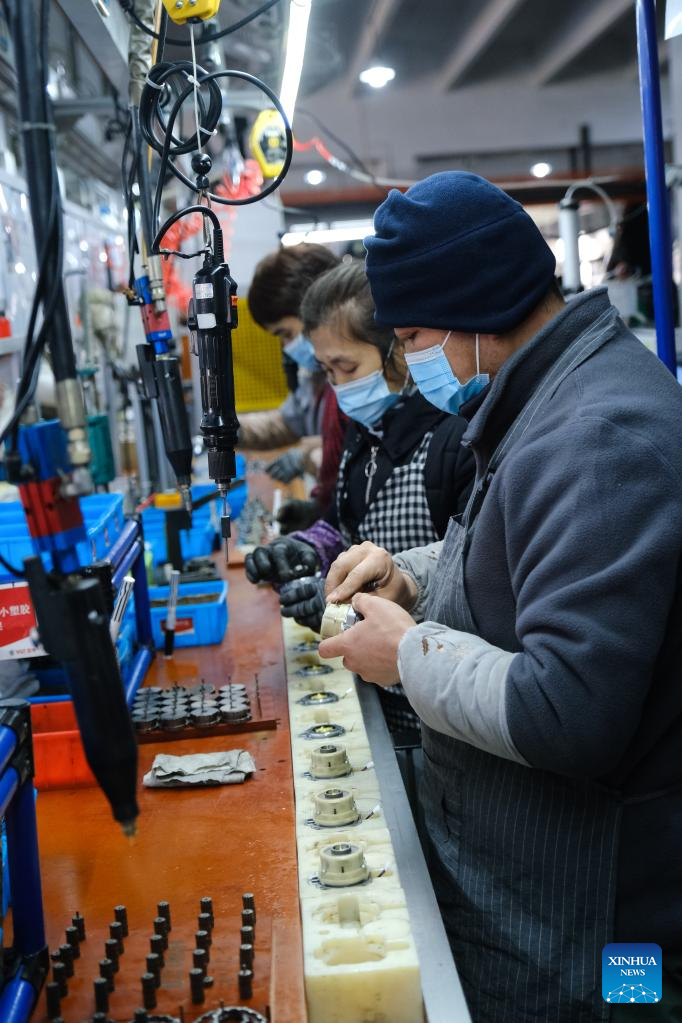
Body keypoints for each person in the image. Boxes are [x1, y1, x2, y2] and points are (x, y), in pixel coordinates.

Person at [318, 171, 682, 1022]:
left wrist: (408, 655)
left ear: (474, 306)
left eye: (413, 336)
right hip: (540, 891)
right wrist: (411, 575)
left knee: (636, 1010)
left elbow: (570, 709)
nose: (411, 362)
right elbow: (513, 552)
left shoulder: (597, 437)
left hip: (607, 917)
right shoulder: (547, 399)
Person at [245, 260, 474, 741]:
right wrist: (308, 549)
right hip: (376, 702)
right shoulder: (364, 431)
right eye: (327, 371)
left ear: (398, 352)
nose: (339, 386)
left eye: (347, 368)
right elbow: (346, 524)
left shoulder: (456, 443)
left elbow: (467, 592)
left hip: (438, 717)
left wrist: (348, 611)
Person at [244, 244, 346, 525]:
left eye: (287, 334)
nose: (287, 347)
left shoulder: (360, 376)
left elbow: (357, 450)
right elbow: (289, 421)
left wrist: (306, 454)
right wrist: (231, 429)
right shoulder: (317, 376)